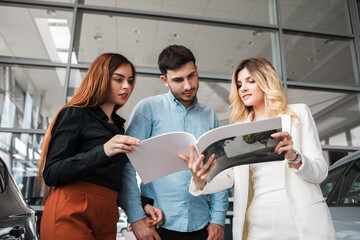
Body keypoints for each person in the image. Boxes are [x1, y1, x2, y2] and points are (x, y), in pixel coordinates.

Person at [179, 57, 337, 240]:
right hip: (259, 219)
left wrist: (295, 157)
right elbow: (229, 177)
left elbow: (320, 172)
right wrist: (201, 180)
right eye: (239, 84)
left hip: (301, 217)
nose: (243, 88)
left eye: (250, 81)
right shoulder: (238, 129)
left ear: (266, 81)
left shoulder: (297, 114)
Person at [37, 53, 162, 240]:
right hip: (71, 210)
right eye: (118, 79)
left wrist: (142, 204)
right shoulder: (75, 114)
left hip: (107, 214)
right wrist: (104, 151)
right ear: (101, 78)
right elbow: (52, 173)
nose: (126, 86)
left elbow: (113, 180)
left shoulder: (118, 128)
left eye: (130, 80)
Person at [125, 45, 229, 240]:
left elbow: (218, 170)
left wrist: (218, 220)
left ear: (196, 70)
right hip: (157, 226)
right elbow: (126, 166)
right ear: (165, 80)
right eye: (178, 80)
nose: (188, 85)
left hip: (203, 227)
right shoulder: (148, 109)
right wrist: (136, 217)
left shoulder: (209, 116)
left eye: (191, 76)